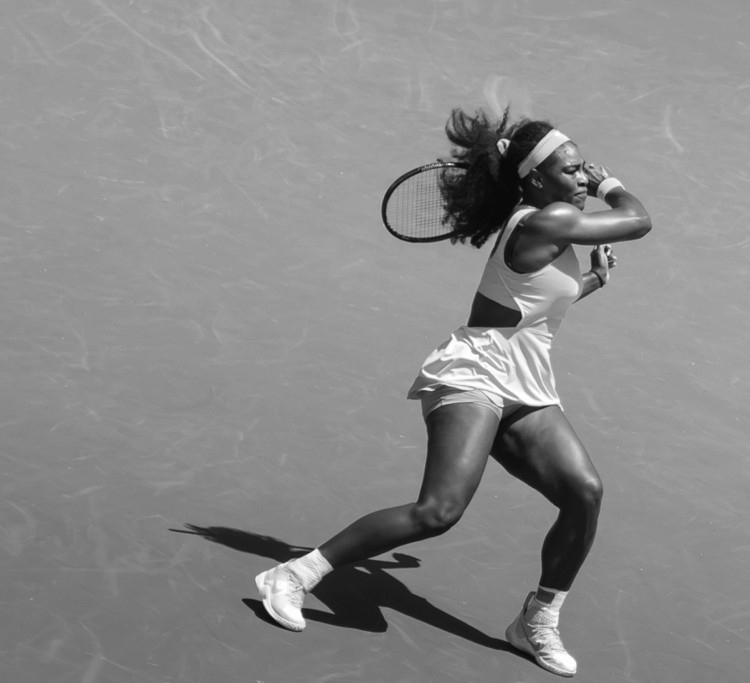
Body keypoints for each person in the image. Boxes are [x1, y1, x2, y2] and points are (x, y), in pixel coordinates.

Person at [254, 108, 652, 678]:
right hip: (475, 377)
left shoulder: (550, 225)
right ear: (536, 181)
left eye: (584, 170)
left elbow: (526, 308)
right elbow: (638, 220)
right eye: (572, 171)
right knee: (438, 511)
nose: (583, 178)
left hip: (524, 380)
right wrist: (612, 182)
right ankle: (293, 574)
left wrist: (588, 282)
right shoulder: (549, 221)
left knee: (584, 492)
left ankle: (535, 622)